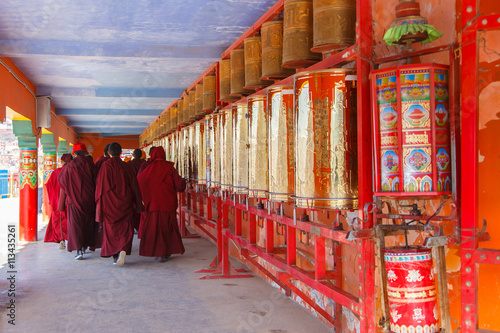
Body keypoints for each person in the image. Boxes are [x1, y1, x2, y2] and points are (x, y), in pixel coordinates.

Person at [95, 142, 144, 266]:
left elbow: (100, 189)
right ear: (121, 152)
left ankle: (115, 254)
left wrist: (99, 206)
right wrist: (138, 203)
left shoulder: (105, 166)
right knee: (125, 228)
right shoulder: (126, 166)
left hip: (110, 205)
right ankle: (123, 249)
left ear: (109, 153)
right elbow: (134, 186)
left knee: (112, 230)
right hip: (125, 202)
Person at [137, 146, 186, 262]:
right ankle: (166, 251)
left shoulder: (148, 169)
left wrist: (145, 198)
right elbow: (180, 186)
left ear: (152, 155)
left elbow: (139, 181)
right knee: (167, 227)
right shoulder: (170, 169)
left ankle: (157, 253)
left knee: (154, 228)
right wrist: (183, 182)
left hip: (152, 205)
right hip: (168, 204)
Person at [57, 142, 97, 260]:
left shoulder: (70, 166)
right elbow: (97, 181)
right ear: (85, 152)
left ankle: (79, 250)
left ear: (74, 153)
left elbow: (61, 180)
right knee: (88, 224)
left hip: (73, 201)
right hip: (89, 200)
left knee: (76, 225)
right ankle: (85, 245)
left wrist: (70, 191)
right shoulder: (91, 165)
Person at [44, 153, 73, 249]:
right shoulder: (73, 171)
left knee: (59, 221)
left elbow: (48, 185)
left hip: (57, 201)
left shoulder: (56, 172)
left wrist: (52, 199)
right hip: (70, 202)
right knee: (70, 221)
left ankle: (61, 240)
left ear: (62, 161)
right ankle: (72, 240)